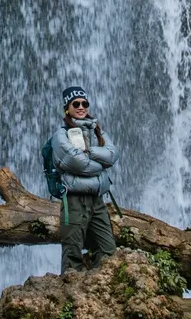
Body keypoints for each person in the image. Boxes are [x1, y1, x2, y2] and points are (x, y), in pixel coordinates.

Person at [50, 85, 118, 273]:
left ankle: (95, 288)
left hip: (97, 199)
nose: (81, 107)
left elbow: (112, 155)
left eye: (84, 103)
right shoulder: (60, 135)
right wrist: (101, 164)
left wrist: (90, 152)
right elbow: (77, 162)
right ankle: (71, 290)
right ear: (67, 108)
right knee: (72, 253)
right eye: (76, 104)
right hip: (74, 200)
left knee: (108, 251)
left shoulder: (97, 131)